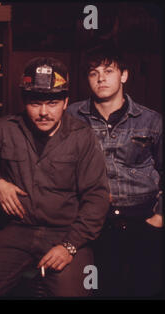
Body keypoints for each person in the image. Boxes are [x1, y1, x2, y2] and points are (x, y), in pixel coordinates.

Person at [0, 57, 110, 297]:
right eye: (35, 103)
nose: (44, 112)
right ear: (24, 102)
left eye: (52, 103)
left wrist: (69, 246)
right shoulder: (6, 129)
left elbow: (97, 198)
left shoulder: (82, 137)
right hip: (18, 231)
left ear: (66, 102)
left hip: (66, 232)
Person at [67, 44, 163, 297]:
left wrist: (159, 217)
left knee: (144, 289)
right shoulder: (70, 116)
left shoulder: (150, 120)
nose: (101, 78)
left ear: (124, 75)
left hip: (143, 217)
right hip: (92, 219)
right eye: (93, 72)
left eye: (108, 71)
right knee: (99, 290)